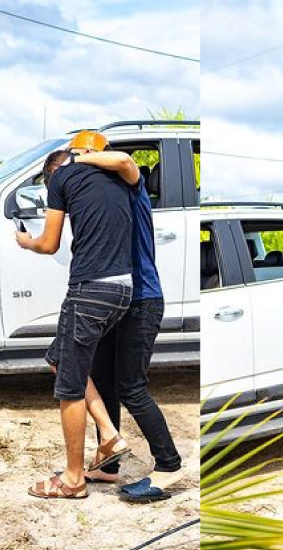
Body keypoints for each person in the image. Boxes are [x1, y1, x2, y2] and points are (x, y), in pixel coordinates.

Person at [65, 140, 183, 503]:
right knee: (103, 380)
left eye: (84, 158)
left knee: (132, 386)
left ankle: (169, 465)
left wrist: (80, 162)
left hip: (143, 299)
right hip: (117, 300)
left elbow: (123, 160)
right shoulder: (100, 195)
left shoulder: (129, 186)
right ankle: (110, 463)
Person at [17, 148, 134, 499]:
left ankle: (73, 480)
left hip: (89, 290)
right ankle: (109, 435)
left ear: (52, 171)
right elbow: (127, 162)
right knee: (60, 359)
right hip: (123, 290)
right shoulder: (116, 177)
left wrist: (27, 243)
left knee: (69, 385)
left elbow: (50, 243)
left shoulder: (61, 177)